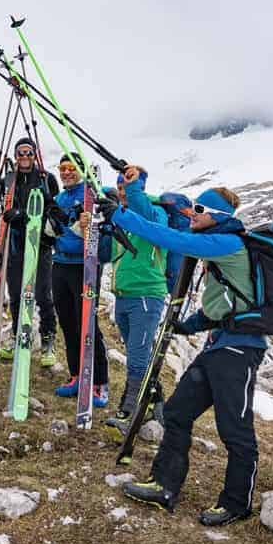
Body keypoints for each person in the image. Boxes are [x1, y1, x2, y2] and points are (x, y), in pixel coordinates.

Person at [98, 186, 266, 527]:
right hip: (218, 346)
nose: (192, 213)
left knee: (235, 429)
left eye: (200, 208)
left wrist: (121, 215)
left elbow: (171, 239)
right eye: (192, 206)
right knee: (177, 412)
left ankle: (237, 503)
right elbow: (224, 303)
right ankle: (164, 486)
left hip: (240, 351)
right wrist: (189, 326)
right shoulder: (218, 246)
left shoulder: (229, 243)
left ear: (218, 215)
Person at [0, 137, 60, 366]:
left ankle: (48, 339)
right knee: (15, 295)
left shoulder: (46, 179)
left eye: (28, 153)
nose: (25, 157)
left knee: (43, 295)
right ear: (16, 156)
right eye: (20, 153)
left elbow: (53, 209)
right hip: (14, 246)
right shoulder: (9, 179)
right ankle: (19, 336)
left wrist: (23, 215)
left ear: (34, 155)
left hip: (40, 244)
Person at [105, 165, 169, 425]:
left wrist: (133, 190)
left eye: (128, 186)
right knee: (137, 353)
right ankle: (158, 405)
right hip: (123, 296)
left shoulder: (156, 212)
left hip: (146, 295)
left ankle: (129, 410)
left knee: (138, 357)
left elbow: (148, 220)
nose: (122, 192)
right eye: (120, 187)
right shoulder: (121, 217)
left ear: (140, 187)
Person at [49, 152, 112, 407]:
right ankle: (76, 374)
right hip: (60, 264)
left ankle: (99, 381)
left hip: (84, 265)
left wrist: (85, 223)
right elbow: (54, 232)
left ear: (82, 170)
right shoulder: (59, 198)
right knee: (67, 322)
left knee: (87, 323)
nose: (66, 172)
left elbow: (100, 228)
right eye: (62, 168)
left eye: (71, 168)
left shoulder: (92, 194)